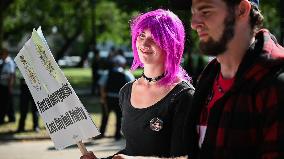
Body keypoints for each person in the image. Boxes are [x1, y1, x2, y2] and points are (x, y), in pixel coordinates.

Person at [81, 9, 194, 159]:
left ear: (171, 44)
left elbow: (183, 157)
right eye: (142, 35)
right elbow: (131, 150)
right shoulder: (126, 91)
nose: (145, 43)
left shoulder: (184, 96)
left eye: (155, 37)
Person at [184, 0, 284, 158]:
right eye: (193, 13)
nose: (194, 23)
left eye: (206, 11)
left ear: (242, 10)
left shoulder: (275, 82)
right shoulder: (207, 78)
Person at [97, 52, 135, 140]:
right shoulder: (126, 74)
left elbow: (102, 85)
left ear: (114, 63)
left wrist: (102, 98)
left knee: (105, 116)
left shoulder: (107, 73)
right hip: (120, 99)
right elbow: (132, 86)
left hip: (108, 98)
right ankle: (117, 135)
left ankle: (102, 133)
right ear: (122, 64)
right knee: (119, 117)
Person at [0, 48, 16, 124]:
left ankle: (3, 118)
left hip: (7, 86)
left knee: (5, 103)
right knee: (8, 103)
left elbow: (11, 75)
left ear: (6, 54)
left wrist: (10, 87)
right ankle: (11, 118)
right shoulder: (1, 62)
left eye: (2, 54)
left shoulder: (10, 62)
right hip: (2, 85)